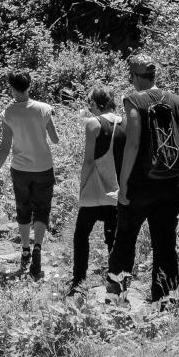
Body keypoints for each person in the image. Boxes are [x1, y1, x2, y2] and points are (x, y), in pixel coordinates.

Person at [106, 54, 179, 303]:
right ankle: (166, 300)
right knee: (165, 243)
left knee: (126, 238)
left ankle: (117, 297)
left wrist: (124, 184)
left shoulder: (133, 100)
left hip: (141, 183)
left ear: (135, 77)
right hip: (170, 181)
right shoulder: (173, 99)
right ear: (153, 75)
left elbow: (132, 142)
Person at [0, 71, 59, 279]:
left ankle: (25, 249)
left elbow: (5, 148)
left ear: (12, 88)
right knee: (42, 209)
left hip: (20, 170)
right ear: (29, 86)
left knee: (23, 208)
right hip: (43, 167)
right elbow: (55, 139)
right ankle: (38, 248)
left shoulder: (8, 113)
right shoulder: (44, 109)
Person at [67, 84, 125, 296]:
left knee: (81, 235)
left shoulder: (93, 123)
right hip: (116, 190)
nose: (89, 107)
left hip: (94, 189)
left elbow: (88, 161)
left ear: (96, 103)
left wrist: (81, 187)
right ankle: (115, 281)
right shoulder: (125, 123)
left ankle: (79, 281)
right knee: (113, 237)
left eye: (90, 103)